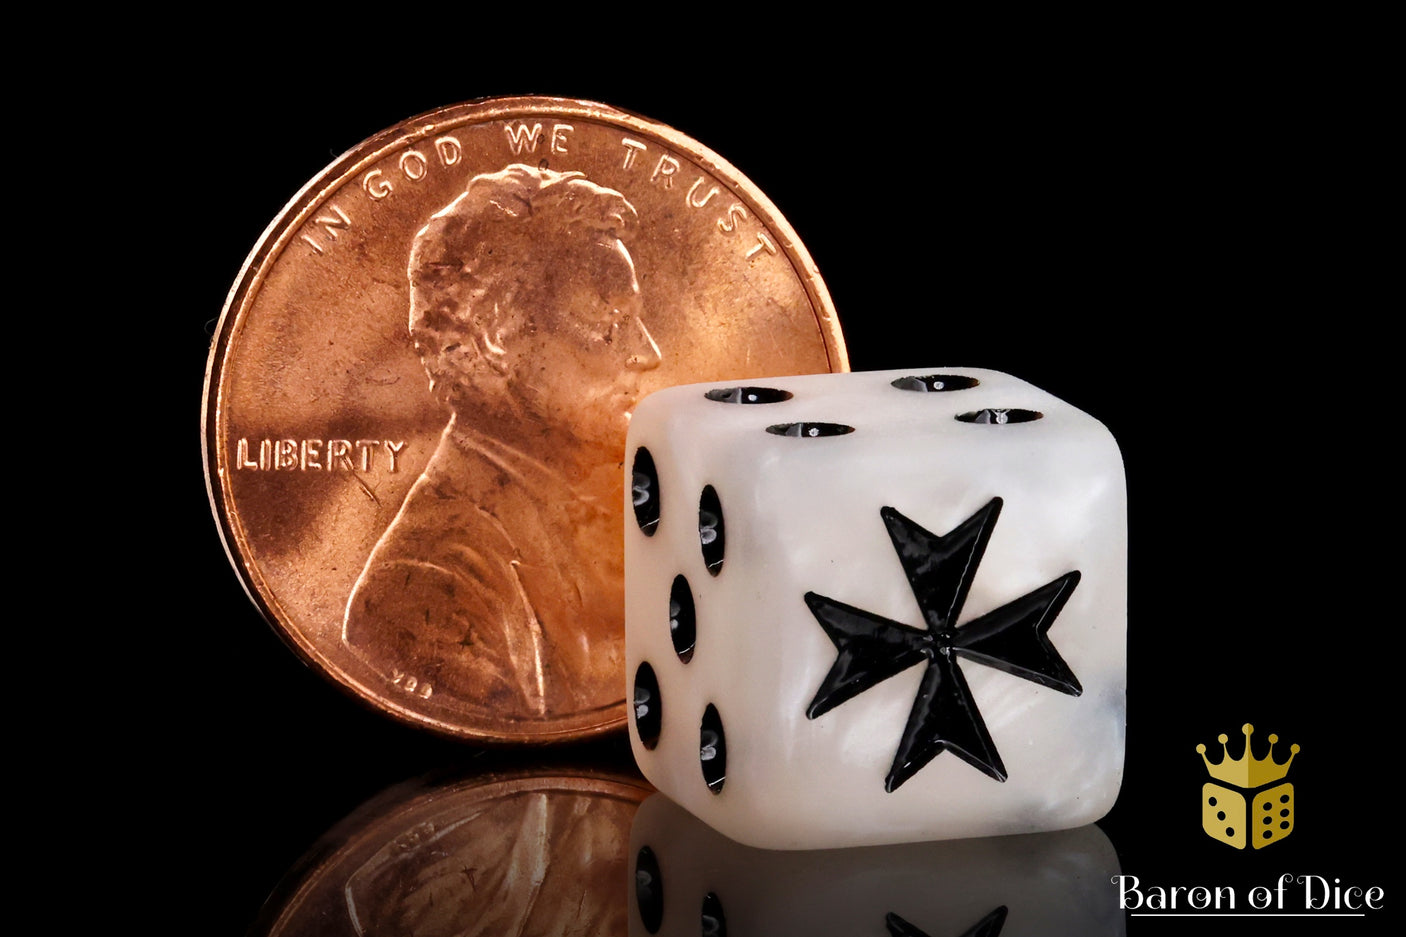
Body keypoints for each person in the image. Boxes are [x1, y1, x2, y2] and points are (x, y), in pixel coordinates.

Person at [343, 164, 662, 721]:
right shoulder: (428, 587)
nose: (646, 353)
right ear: (495, 336)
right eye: (610, 324)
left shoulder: (577, 514)